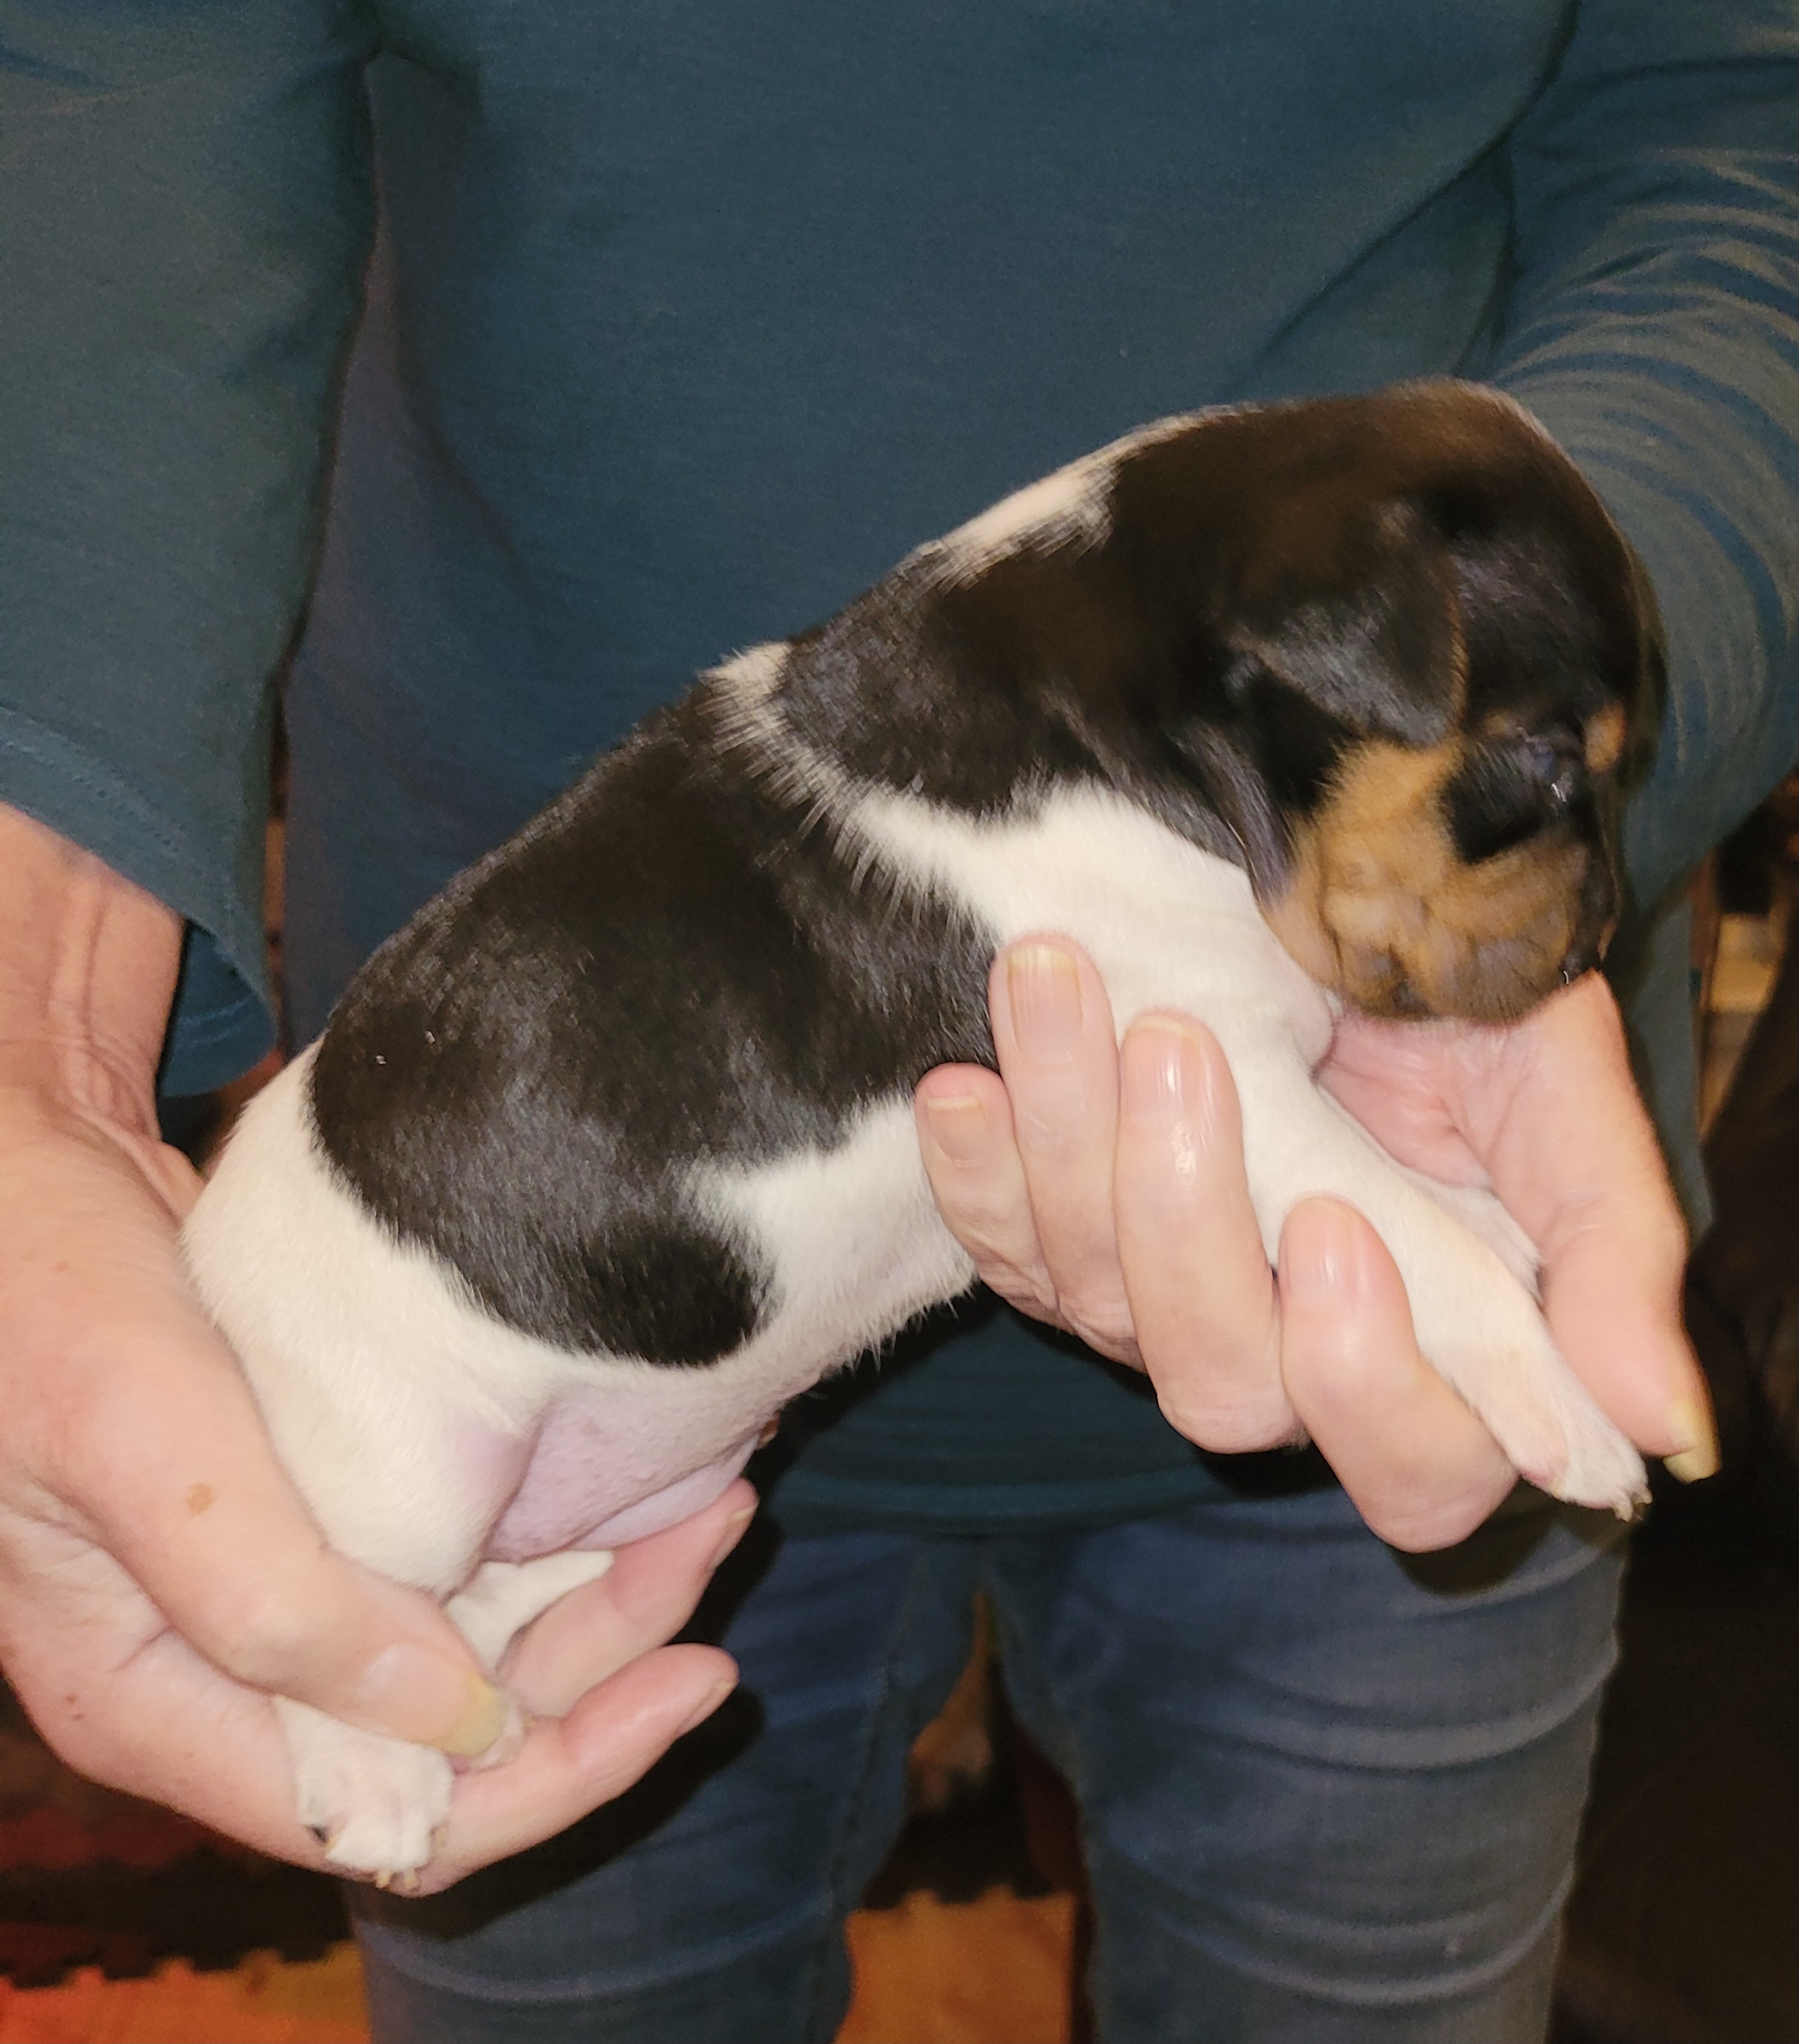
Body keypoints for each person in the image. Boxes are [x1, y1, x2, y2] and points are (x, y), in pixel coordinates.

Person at [0, 0, 1793, 2035]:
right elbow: (115, 74)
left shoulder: (1339, 725)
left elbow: (1743, 116)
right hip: (523, 1265)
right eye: (1547, 782)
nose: (1574, 884)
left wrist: (1628, 624)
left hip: (1419, 1317)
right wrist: (21, 1012)